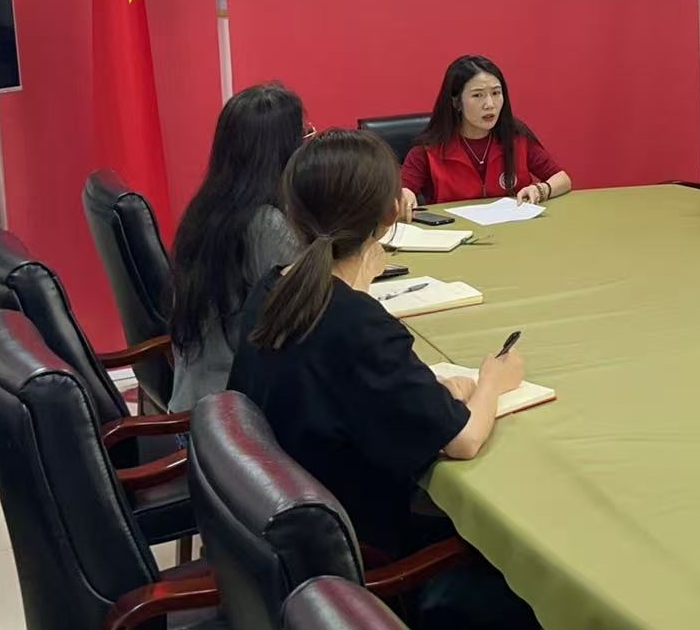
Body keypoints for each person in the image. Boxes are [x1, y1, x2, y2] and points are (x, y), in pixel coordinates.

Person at [227, 129, 536, 629]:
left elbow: (344, 379)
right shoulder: (356, 322)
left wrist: (432, 389)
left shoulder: (273, 288)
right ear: (392, 213)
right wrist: (491, 382)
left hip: (287, 530)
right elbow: (463, 439)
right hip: (368, 551)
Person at [167, 83, 307, 413]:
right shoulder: (265, 224)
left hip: (199, 403)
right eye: (303, 137)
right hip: (235, 418)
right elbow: (306, 319)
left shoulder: (207, 209)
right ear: (282, 151)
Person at [401, 54, 571, 209]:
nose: (490, 104)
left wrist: (541, 189)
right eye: (478, 95)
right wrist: (404, 197)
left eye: (496, 93)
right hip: (455, 230)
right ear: (456, 102)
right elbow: (401, 193)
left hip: (514, 228)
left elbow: (562, 179)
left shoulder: (515, 137)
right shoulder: (427, 151)